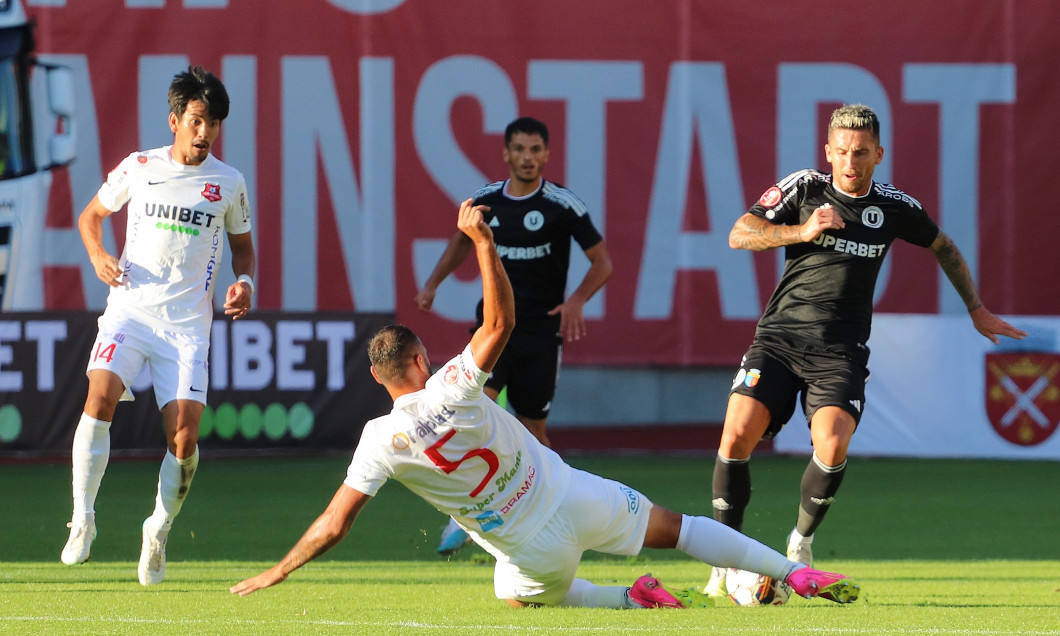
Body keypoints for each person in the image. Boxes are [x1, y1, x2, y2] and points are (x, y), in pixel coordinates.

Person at [230, 199, 860, 609]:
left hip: (531, 550)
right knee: (684, 530)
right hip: (571, 494)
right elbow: (499, 323)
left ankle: (629, 600)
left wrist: (277, 571)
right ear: (421, 362)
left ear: (378, 379)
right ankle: (795, 572)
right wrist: (482, 241)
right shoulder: (452, 384)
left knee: (515, 593)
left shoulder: (377, 441)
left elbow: (334, 525)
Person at [704, 104, 1026, 597]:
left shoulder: (895, 206)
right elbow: (738, 233)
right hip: (779, 339)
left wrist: (976, 308)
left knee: (832, 446)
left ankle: (800, 544)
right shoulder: (804, 189)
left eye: (861, 153)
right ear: (828, 152)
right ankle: (725, 557)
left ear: (878, 154)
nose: (850, 162)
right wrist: (801, 231)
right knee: (734, 436)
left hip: (840, 351)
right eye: (842, 152)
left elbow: (943, 245)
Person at [60, 66, 256, 587]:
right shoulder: (140, 167)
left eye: (212, 122)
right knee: (98, 397)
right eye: (196, 119)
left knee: (185, 438)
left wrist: (246, 283)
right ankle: (82, 517)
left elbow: (244, 251)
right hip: (131, 310)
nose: (205, 130)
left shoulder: (228, 182)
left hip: (188, 327)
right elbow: (90, 217)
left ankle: (158, 529)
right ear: (174, 120)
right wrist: (99, 254)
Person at [415, 116, 612, 553]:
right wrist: (433, 283)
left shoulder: (563, 204)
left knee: (534, 434)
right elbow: (462, 242)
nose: (527, 158)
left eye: (535, 150)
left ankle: (558, 513)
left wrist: (577, 299)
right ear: (506, 154)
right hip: (492, 332)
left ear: (546, 154)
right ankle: (463, 516)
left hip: (540, 335)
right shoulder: (486, 201)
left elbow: (603, 262)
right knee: (473, 411)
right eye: (519, 150)